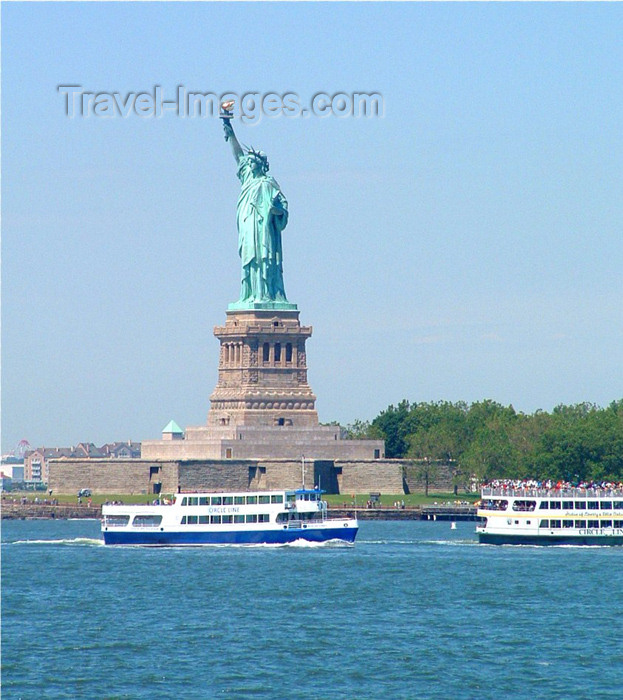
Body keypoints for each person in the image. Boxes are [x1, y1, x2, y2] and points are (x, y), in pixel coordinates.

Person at [223, 118, 289, 305]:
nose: (249, 164)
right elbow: (238, 157)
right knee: (250, 259)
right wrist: (230, 130)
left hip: (264, 229)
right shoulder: (248, 179)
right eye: (249, 162)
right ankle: (250, 294)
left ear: (260, 164)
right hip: (247, 225)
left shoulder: (269, 184)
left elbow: (283, 210)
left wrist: (276, 211)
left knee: (264, 259)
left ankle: (265, 294)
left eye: (252, 162)